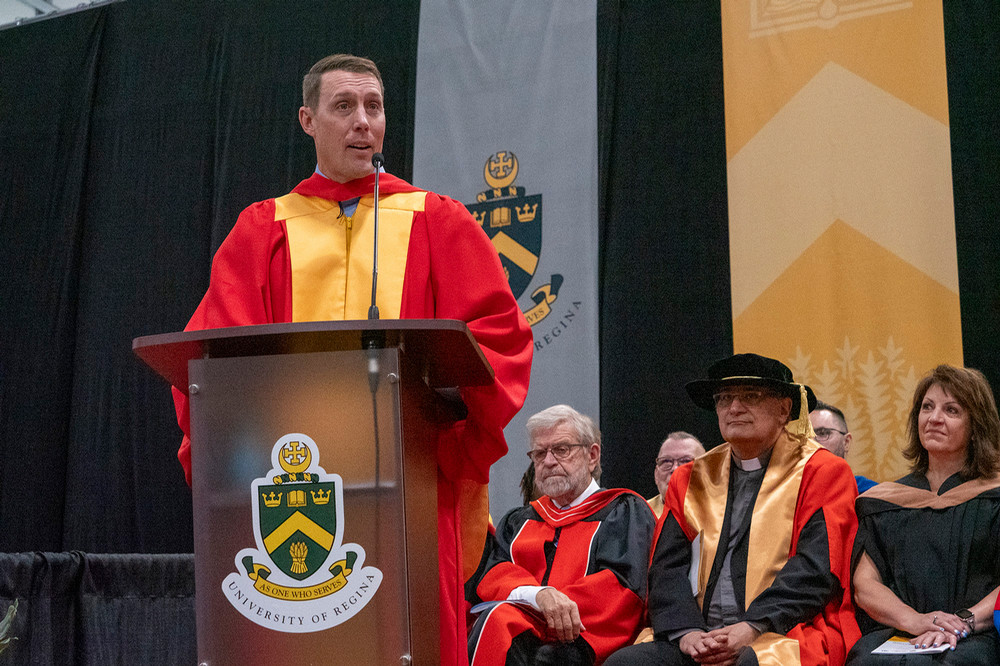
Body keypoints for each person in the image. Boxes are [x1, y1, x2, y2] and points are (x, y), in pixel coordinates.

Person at [171, 53, 533, 666]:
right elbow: (213, 360)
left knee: (412, 636)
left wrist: (449, 432)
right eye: (344, 107)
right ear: (308, 120)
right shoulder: (263, 231)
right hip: (287, 481)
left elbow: (497, 338)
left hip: (409, 473)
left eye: (374, 107)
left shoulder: (434, 221)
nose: (363, 122)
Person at [607, 353, 860, 666]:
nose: (734, 408)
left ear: (784, 409)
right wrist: (687, 633)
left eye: (750, 396)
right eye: (724, 398)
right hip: (699, 634)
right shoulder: (691, 478)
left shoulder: (822, 471)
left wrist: (752, 627)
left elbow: (817, 567)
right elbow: (666, 568)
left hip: (785, 629)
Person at [467, 405, 656, 665]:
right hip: (518, 631)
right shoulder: (518, 521)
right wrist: (540, 597)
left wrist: (555, 614)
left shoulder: (623, 512)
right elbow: (493, 574)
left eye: (561, 450)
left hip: (585, 641)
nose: (548, 461)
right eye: (539, 453)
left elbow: (623, 590)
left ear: (592, 456)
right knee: (497, 623)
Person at [847, 364, 1000, 664]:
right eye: (927, 407)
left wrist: (962, 623)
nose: (934, 418)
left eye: (951, 410)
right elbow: (865, 585)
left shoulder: (994, 497)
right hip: (904, 631)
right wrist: (916, 621)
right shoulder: (884, 502)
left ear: (975, 427)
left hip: (978, 634)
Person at [810, 400, 877, 492]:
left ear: (846, 442)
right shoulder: (790, 495)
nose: (811, 442)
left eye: (823, 433)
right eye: (804, 437)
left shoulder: (870, 494)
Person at [648, 432, 706, 518]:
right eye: (666, 461)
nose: (675, 469)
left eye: (686, 461)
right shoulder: (639, 515)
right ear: (656, 475)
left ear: (706, 473)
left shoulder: (721, 512)